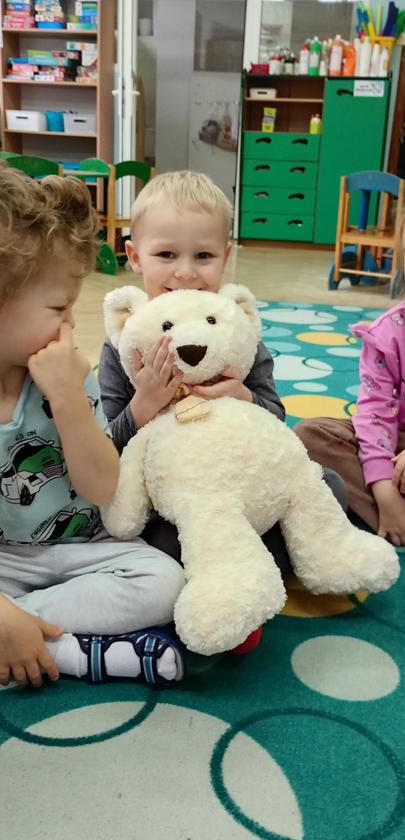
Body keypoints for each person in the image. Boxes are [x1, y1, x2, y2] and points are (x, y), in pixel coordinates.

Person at [99, 170, 347, 571]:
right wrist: (144, 403)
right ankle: (248, 561)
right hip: (177, 498)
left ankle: (237, 560)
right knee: (152, 538)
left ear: (226, 257)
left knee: (328, 486)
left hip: (243, 482)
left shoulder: (236, 334)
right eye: (166, 255)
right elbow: (107, 446)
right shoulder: (123, 345)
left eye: (203, 256)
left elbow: (276, 419)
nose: (185, 272)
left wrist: (243, 396)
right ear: (135, 256)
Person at [0, 162, 185, 691]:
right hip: (6, 562)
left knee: (165, 583)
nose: (68, 325)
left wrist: (67, 400)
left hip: (87, 545)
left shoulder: (67, 373)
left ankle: (22, 636)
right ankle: (67, 651)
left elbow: (102, 486)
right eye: (59, 307)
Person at [295, 213, 405, 547]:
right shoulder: (388, 333)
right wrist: (384, 488)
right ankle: (392, 514)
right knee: (310, 436)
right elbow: (374, 415)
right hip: (393, 446)